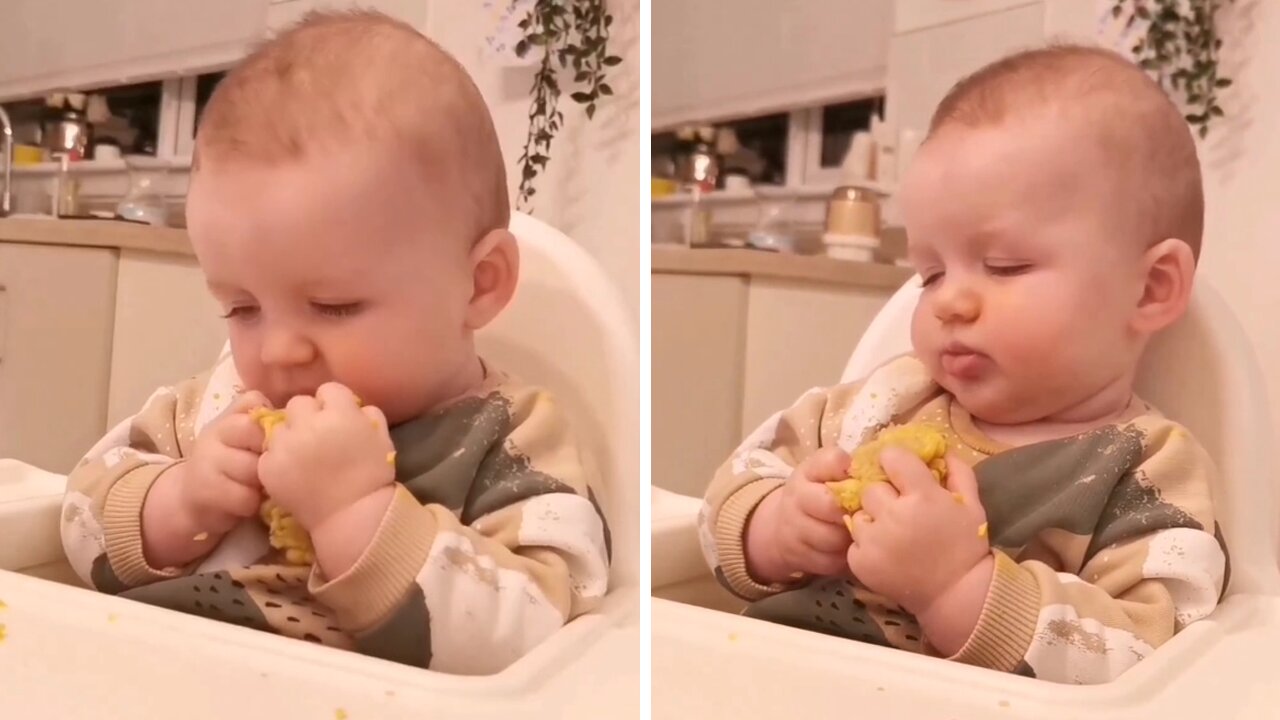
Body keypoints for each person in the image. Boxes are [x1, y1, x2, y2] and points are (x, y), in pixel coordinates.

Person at [60, 10, 610, 676]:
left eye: (334, 306)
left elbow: (541, 632)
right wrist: (177, 501)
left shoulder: (510, 441)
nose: (281, 350)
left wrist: (356, 514)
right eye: (242, 308)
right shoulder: (215, 409)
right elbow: (80, 511)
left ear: (478, 285)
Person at [699, 45, 1227, 685]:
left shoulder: (1150, 471)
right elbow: (733, 486)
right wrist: (773, 527)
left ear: (1148, 289)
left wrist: (958, 588)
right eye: (930, 273)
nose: (949, 301)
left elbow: (1155, 659)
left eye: (1005, 266)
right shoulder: (880, 403)